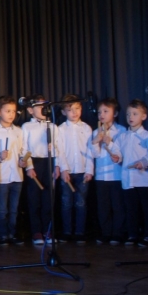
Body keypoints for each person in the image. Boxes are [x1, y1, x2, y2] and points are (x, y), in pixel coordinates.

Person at [111, 99, 148, 246]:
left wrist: (143, 162)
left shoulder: (147, 136)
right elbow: (117, 150)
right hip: (128, 179)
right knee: (131, 209)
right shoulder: (122, 136)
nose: (130, 117)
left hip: (144, 179)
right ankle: (132, 234)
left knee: (147, 209)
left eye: (135, 114)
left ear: (144, 116)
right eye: (128, 114)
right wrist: (117, 157)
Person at [22, 94, 61, 245]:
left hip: (49, 162)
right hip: (35, 162)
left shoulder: (53, 126)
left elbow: (59, 148)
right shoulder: (27, 127)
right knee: (34, 200)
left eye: (45, 106)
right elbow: (24, 148)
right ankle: (36, 231)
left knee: (48, 200)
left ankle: (48, 230)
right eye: (39, 106)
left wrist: (57, 165)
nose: (43, 109)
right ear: (30, 110)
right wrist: (29, 167)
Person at [88, 98, 127, 245]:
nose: (102, 115)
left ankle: (118, 233)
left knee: (117, 206)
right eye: (99, 112)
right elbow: (95, 155)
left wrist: (109, 142)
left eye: (106, 111)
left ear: (115, 113)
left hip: (116, 175)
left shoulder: (122, 131)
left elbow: (122, 154)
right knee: (103, 207)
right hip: (101, 176)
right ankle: (105, 232)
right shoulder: (95, 132)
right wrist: (95, 142)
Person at [56, 94, 93, 244]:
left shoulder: (87, 128)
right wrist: (64, 169)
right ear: (64, 112)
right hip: (68, 172)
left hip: (83, 171)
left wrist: (89, 170)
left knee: (81, 202)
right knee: (66, 203)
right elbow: (59, 151)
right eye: (70, 110)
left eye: (77, 108)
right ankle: (67, 231)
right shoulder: (60, 129)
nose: (74, 112)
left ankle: (79, 232)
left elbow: (90, 151)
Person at [0, 96, 24, 245]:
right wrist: (0, 157)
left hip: (17, 175)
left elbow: (23, 150)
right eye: (7, 111)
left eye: (13, 111)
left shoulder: (18, 131)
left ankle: (12, 233)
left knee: (14, 209)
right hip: (1, 176)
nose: (11, 114)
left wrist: (24, 161)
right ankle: (2, 234)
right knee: (1, 209)